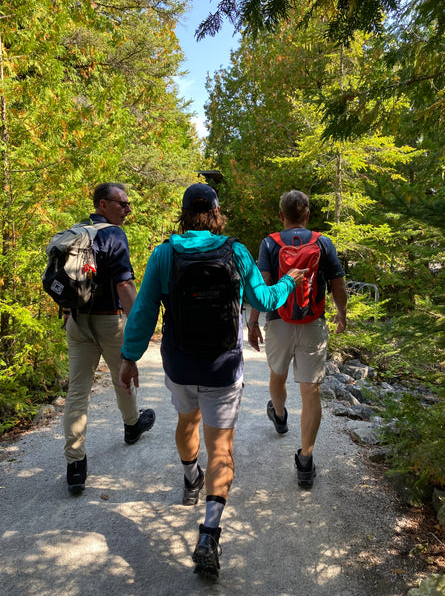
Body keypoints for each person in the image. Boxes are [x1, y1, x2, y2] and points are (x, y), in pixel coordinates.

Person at [119, 183, 305, 579]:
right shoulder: (234, 251)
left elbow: (145, 310)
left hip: (180, 363)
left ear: (184, 213)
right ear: (217, 212)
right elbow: (265, 301)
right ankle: (208, 533)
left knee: (187, 422)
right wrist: (291, 281)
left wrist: (129, 357)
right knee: (220, 447)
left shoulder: (164, 253)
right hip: (222, 365)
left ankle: (190, 480)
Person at [247, 189, 347, 489]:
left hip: (278, 322)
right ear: (307, 215)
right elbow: (338, 284)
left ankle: (279, 416)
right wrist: (342, 315)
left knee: (277, 376)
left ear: (282, 215)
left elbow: (262, 286)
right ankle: (306, 460)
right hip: (313, 322)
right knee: (310, 391)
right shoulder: (323, 242)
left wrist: (252, 322)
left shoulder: (269, 243)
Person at [63, 182, 155, 495]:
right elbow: (125, 287)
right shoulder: (113, 235)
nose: (128, 209)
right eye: (123, 204)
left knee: (78, 391)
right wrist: (138, 327)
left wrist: (67, 312)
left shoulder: (76, 231)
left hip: (77, 322)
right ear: (104, 204)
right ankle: (132, 427)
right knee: (123, 377)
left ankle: (75, 465)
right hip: (110, 320)